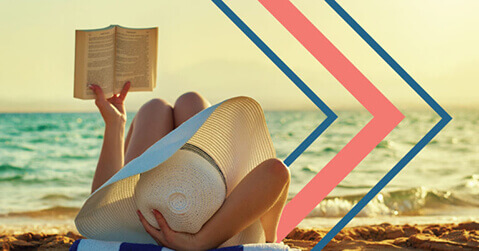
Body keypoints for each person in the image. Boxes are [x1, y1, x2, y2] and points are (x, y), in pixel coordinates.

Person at [88, 81, 291, 250]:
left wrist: (115, 123)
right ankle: (269, 236)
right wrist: (199, 242)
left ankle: (268, 236)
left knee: (155, 108)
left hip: (144, 225)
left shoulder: (139, 223)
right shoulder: (227, 224)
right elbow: (276, 170)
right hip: (217, 226)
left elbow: (97, 212)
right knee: (189, 100)